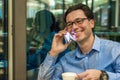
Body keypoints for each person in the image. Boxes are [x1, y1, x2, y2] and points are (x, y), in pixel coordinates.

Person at [37, 3, 120, 80]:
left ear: (91, 23)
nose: (74, 27)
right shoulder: (66, 60)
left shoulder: (114, 50)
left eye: (79, 21)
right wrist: (54, 52)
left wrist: (103, 75)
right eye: (70, 24)